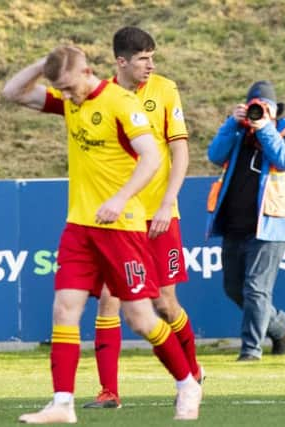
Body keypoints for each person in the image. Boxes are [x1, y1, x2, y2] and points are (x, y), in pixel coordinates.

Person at [2, 45, 201, 422]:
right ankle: (62, 403)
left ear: (88, 72)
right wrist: (41, 65)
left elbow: (152, 157)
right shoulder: (70, 101)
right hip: (79, 225)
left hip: (121, 225)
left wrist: (121, 198)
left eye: (69, 86)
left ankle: (186, 382)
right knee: (64, 309)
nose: (65, 94)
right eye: (58, 87)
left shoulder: (120, 103)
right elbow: (12, 93)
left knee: (141, 318)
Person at [82, 26, 203, 410]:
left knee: (165, 304)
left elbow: (179, 152)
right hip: (121, 219)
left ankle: (193, 374)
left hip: (159, 215)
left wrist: (168, 202)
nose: (151, 65)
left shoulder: (165, 90)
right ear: (121, 61)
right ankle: (109, 392)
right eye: (143, 59)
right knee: (108, 298)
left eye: (153, 58)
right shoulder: (101, 95)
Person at [206, 80, 285, 361]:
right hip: (235, 224)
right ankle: (280, 324)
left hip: (272, 223)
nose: (258, 112)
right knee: (233, 288)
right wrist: (231, 123)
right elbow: (214, 155)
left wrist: (265, 129)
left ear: (275, 111)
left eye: (264, 108)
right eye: (254, 107)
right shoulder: (238, 132)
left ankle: (251, 350)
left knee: (256, 288)